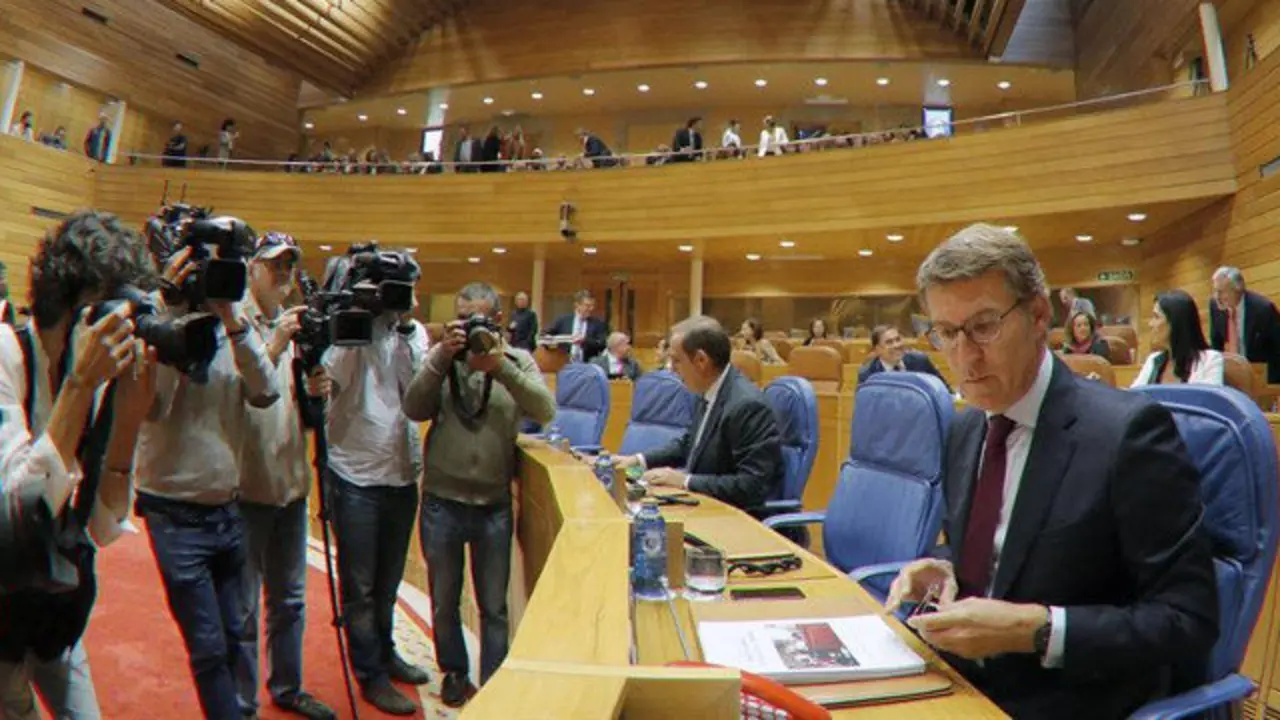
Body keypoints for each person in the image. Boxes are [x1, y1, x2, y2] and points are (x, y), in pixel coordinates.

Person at [887, 223, 1217, 719]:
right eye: (947, 333)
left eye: (983, 326)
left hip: (1064, 700)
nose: (964, 356)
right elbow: (1009, 549)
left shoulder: (1127, 435)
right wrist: (948, 569)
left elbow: (1188, 618)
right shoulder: (965, 430)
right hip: (958, 684)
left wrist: (1039, 631)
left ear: (1039, 315)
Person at [0, 210, 160, 720]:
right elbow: (15, 519)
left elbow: (101, 530)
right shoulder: (6, 354)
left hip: (53, 611)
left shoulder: (91, 376)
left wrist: (129, 421)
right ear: (77, 308)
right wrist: (79, 387)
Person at [133, 227, 283, 720]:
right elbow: (151, 409)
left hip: (226, 508)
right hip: (173, 514)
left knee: (238, 631)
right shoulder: (155, 325)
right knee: (208, 645)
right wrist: (171, 320)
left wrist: (232, 321)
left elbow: (265, 390)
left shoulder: (234, 330)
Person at [404, 282, 556, 708]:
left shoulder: (517, 361)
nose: (472, 326)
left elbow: (545, 410)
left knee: (494, 606)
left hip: (493, 506)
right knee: (444, 598)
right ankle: (453, 672)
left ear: (499, 320)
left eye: (481, 319)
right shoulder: (443, 361)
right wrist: (439, 358)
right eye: (464, 317)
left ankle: (493, 683)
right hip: (442, 502)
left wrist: (499, 367)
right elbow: (413, 408)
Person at [315, 259, 431, 716]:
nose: (411, 300)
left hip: (401, 473)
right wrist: (357, 316)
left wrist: (400, 329)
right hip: (356, 474)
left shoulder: (413, 334)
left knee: (388, 582)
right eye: (401, 291)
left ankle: (386, 652)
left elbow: (417, 390)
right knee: (360, 587)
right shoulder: (350, 330)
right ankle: (370, 674)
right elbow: (329, 384)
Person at [233, 233, 335, 719]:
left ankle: (288, 687)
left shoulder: (299, 331)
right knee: (246, 605)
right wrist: (273, 347)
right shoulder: (235, 326)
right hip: (247, 483)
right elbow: (239, 395)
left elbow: (305, 413)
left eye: (289, 268)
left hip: (292, 482)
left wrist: (318, 391)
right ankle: (241, 700)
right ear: (252, 268)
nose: (283, 276)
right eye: (274, 266)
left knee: (291, 599)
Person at [614, 316, 783, 510]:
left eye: (676, 361)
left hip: (733, 521)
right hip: (703, 507)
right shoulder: (708, 391)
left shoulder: (747, 406)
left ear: (701, 360)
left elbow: (752, 487)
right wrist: (637, 460)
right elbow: (690, 444)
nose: (672, 369)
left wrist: (684, 481)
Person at [1132, 290, 1223, 387]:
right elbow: (1133, 397)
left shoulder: (1210, 360)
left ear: (1175, 323)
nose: (1150, 324)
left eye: (1156, 317)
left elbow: (1207, 400)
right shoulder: (1153, 360)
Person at [1209, 266, 1280, 384]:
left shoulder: (1263, 309)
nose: (1217, 297)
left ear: (1238, 288)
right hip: (1233, 377)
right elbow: (1216, 343)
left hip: (1262, 376)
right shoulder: (1215, 306)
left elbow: (1278, 350)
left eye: (1221, 291)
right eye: (1215, 291)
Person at [858, 325, 949, 390]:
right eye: (889, 342)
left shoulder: (920, 361)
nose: (896, 345)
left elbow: (943, 390)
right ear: (878, 350)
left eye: (898, 339)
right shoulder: (868, 374)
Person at [546, 290, 608, 363]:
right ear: (577, 305)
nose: (591, 309)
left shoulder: (598, 323)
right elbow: (545, 337)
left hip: (587, 364)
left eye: (593, 306)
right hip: (563, 364)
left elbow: (603, 344)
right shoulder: (562, 320)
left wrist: (584, 341)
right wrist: (551, 342)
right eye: (587, 306)